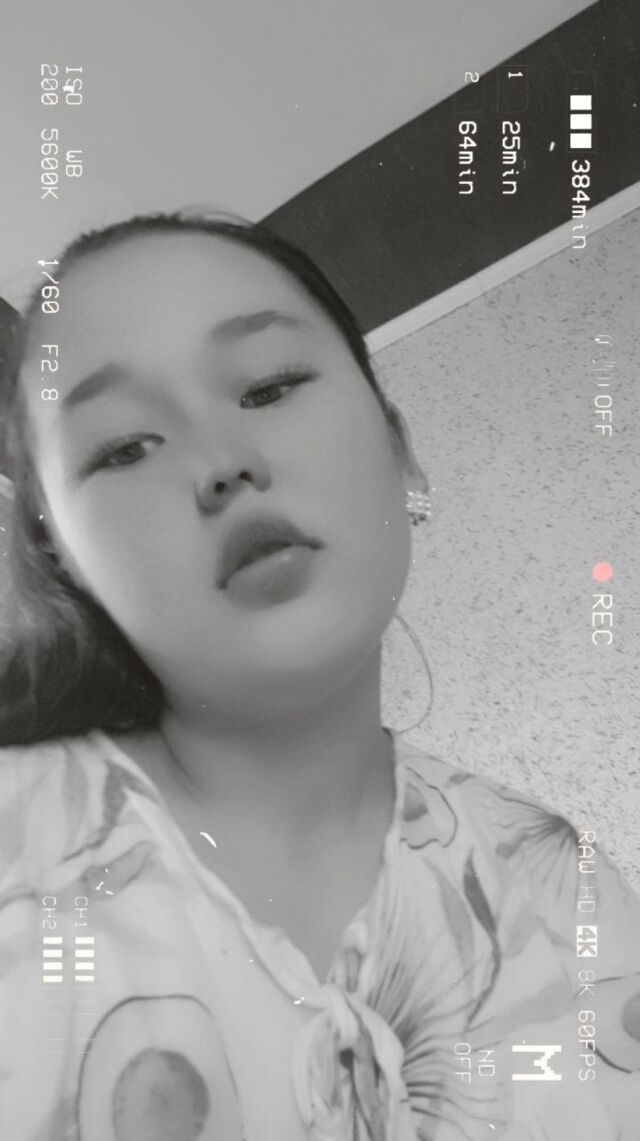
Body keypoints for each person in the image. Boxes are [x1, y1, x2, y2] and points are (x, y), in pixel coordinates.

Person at [0, 210, 638, 1141]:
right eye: (124, 447)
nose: (221, 463)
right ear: (63, 559)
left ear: (400, 448)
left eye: (269, 386)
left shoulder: (563, 886)